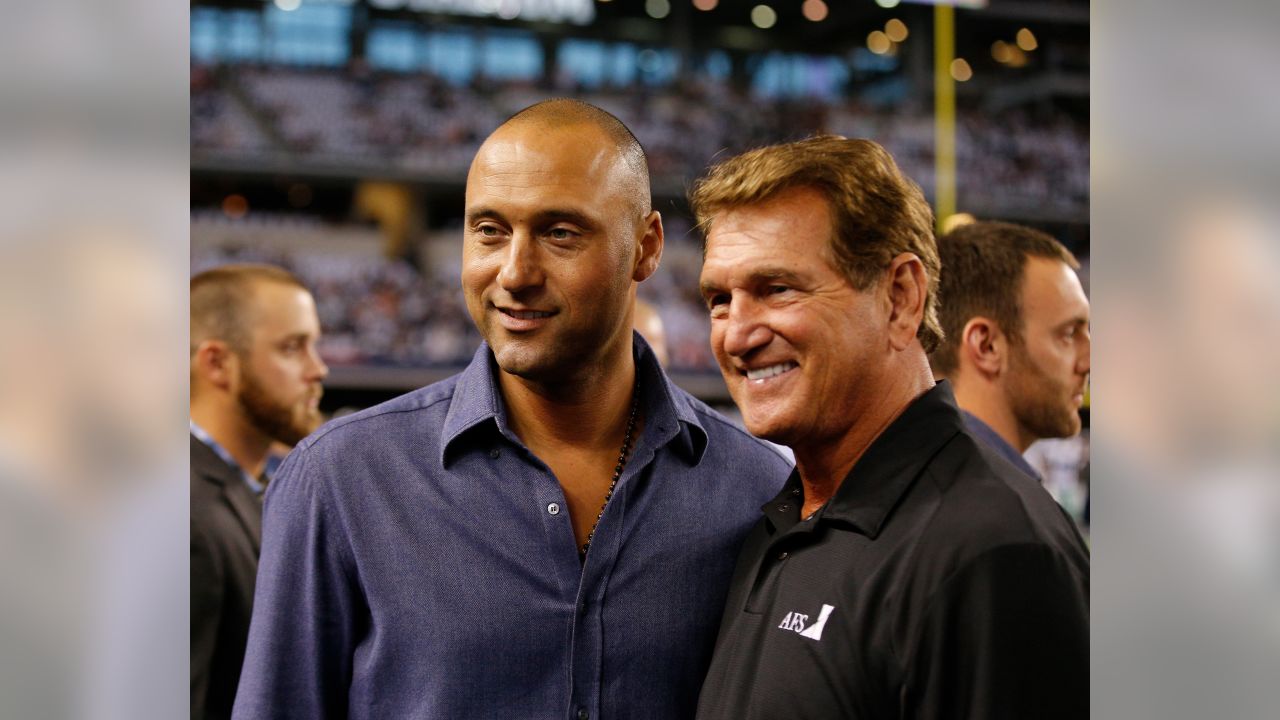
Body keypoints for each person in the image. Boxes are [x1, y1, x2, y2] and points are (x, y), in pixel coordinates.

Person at [231, 100, 790, 720]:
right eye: (489, 230)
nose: (516, 272)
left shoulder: (758, 489)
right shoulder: (339, 479)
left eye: (560, 233)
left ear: (646, 247)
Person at [689, 135, 1089, 719]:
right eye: (719, 299)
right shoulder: (786, 516)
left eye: (777, 289)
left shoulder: (992, 549)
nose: (737, 334)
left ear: (900, 297)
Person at [190, 264, 329, 720]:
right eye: (292, 348)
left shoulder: (267, 490)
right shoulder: (178, 516)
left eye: (314, 345)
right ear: (217, 363)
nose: (317, 369)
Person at [928, 220, 1091, 479]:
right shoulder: (991, 503)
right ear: (987, 346)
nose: (1088, 362)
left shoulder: (921, 472)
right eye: (1069, 334)